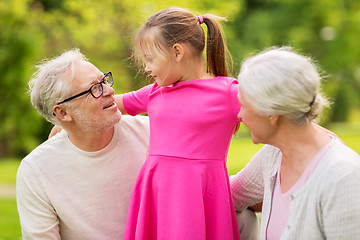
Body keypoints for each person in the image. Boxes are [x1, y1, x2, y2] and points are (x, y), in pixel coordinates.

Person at [115, 7, 241, 240]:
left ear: (177, 51)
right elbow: (112, 105)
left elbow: (275, 115)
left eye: (151, 59)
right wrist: (67, 121)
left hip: (202, 198)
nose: (146, 67)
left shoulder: (228, 93)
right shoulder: (155, 92)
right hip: (157, 195)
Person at [16, 49, 150, 239]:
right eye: (94, 89)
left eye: (104, 80)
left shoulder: (152, 134)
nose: (110, 90)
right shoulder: (36, 170)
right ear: (62, 113)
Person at [230, 47, 360, 239]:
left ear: (271, 112)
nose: (239, 115)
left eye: (244, 105)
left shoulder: (342, 175)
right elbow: (230, 194)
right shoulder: (274, 154)